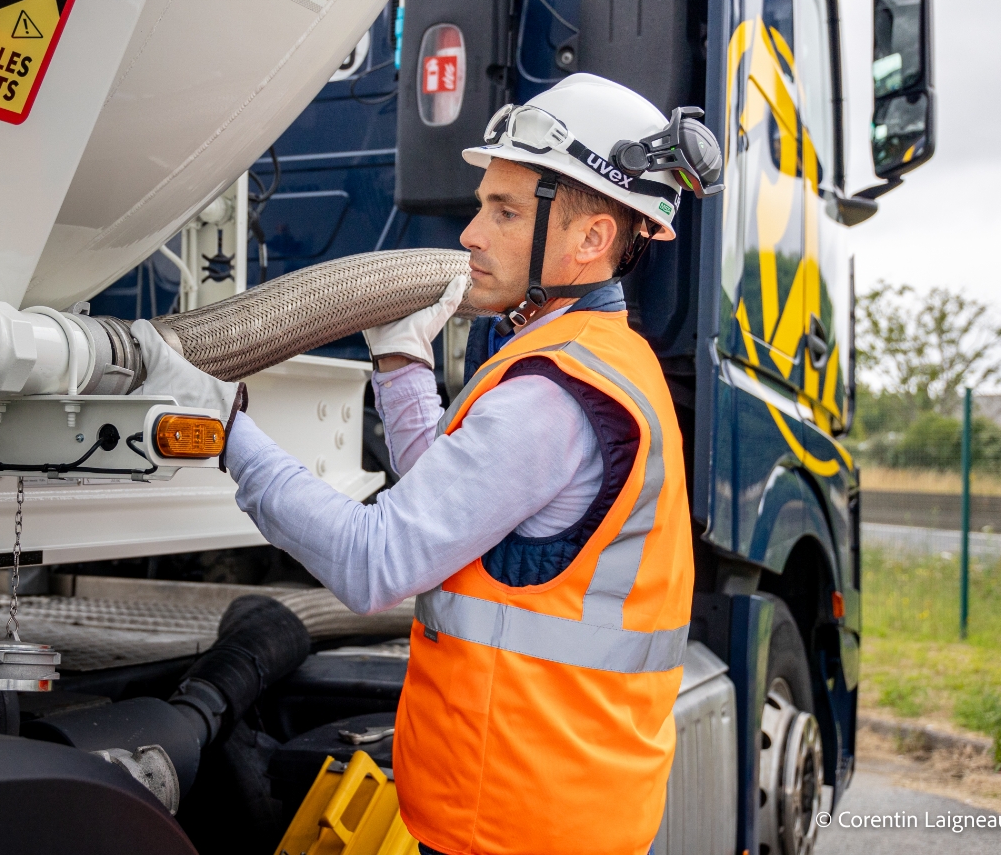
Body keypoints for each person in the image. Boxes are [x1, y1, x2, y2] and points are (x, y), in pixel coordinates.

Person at [132, 73, 722, 855]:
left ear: (591, 240)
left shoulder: (555, 393)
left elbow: (379, 561)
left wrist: (224, 426)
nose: (471, 233)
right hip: (549, 814)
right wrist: (403, 360)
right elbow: (450, 502)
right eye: (483, 205)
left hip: (516, 830)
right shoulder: (594, 359)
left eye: (504, 211)